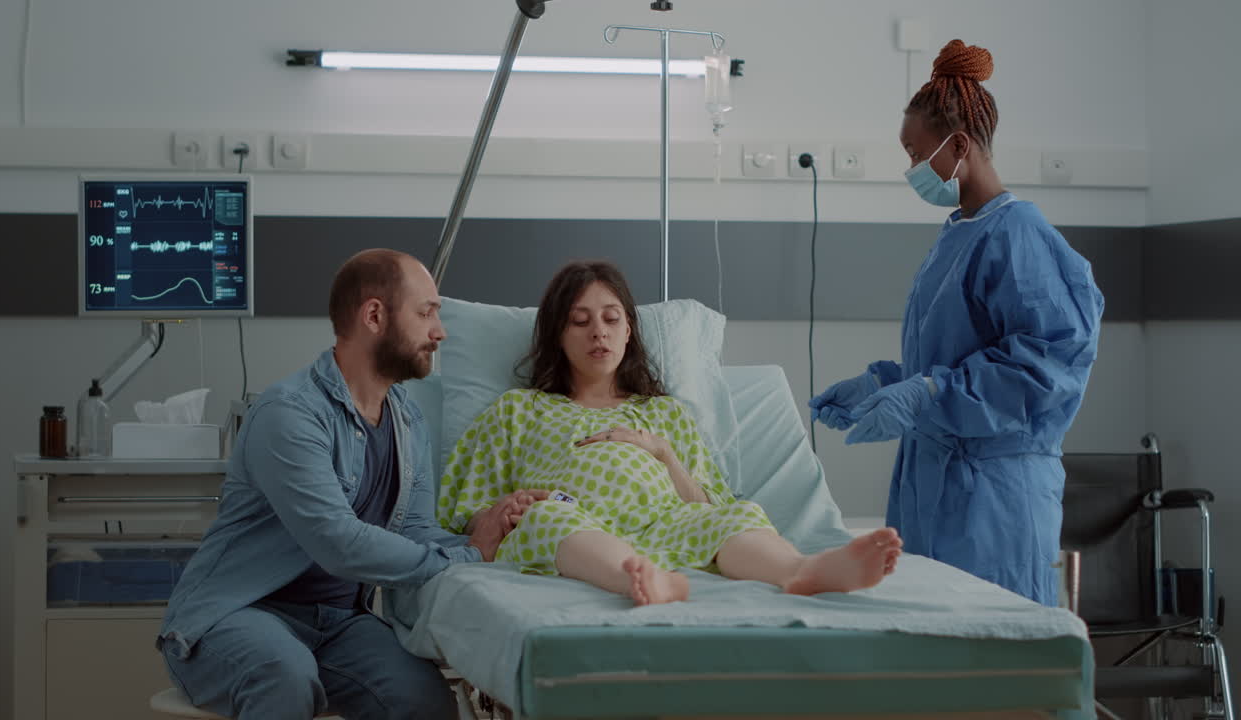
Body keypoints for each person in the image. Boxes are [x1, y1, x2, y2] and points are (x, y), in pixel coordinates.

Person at [157, 249, 545, 720]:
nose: (439, 331)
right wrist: (466, 555)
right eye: (426, 313)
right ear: (375, 315)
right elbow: (339, 543)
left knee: (424, 700)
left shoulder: (408, 419)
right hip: (238, 615)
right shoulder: (291, 414)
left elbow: (415, 533)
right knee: (284, 677)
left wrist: (481, 533)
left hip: (339, 624)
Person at [808, 40, 1104, 606]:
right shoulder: (960, 232)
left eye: (916, 153)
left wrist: (927, 392)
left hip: (995, 496)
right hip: (938, 487)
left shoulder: (1019, 236)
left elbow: (1046, 368)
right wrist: (887, 382)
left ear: (959, 146)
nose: (912, 169)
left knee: (996, 660)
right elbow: (950, 354)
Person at [438, 260, 902, 606]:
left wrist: (662, 452)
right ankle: (639, 578)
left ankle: (803, 569)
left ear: (629, 333)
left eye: (611, 318)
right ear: (558, 337)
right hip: (573, 522)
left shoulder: (665, 414)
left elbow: (705, 507)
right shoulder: (519, 410)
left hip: (666, 521)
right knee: (547, 521)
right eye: (580, 322)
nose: (598, 332)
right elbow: (468, 518)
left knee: (737, 515)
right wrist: (503, 510)